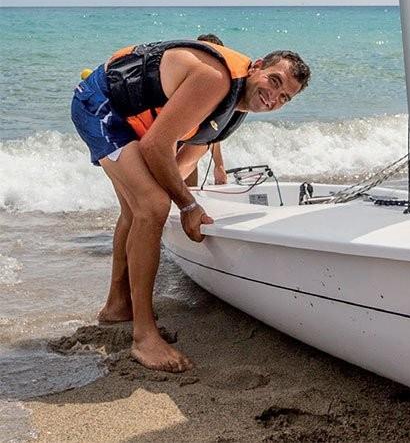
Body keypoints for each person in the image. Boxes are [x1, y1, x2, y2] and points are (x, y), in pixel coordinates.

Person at [71, 39, 310, 373]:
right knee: (152, 205)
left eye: (285, 97)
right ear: (256, 67)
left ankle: (117, 306)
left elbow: (181, 166)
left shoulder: (232, 114)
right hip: (99, 104)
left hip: (129, 119)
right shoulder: (216, 79)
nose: (275, 97)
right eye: (274, 81)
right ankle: (144, 336)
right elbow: (156, 146)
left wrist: (186, 200)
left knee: (140, 206)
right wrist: (187, 206)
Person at [185, 34, 229, 187]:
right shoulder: (184, 79)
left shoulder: (216, 88)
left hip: (188, 150)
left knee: (188, 193)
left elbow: (212, 129)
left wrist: (219, 166)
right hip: (167, 148)